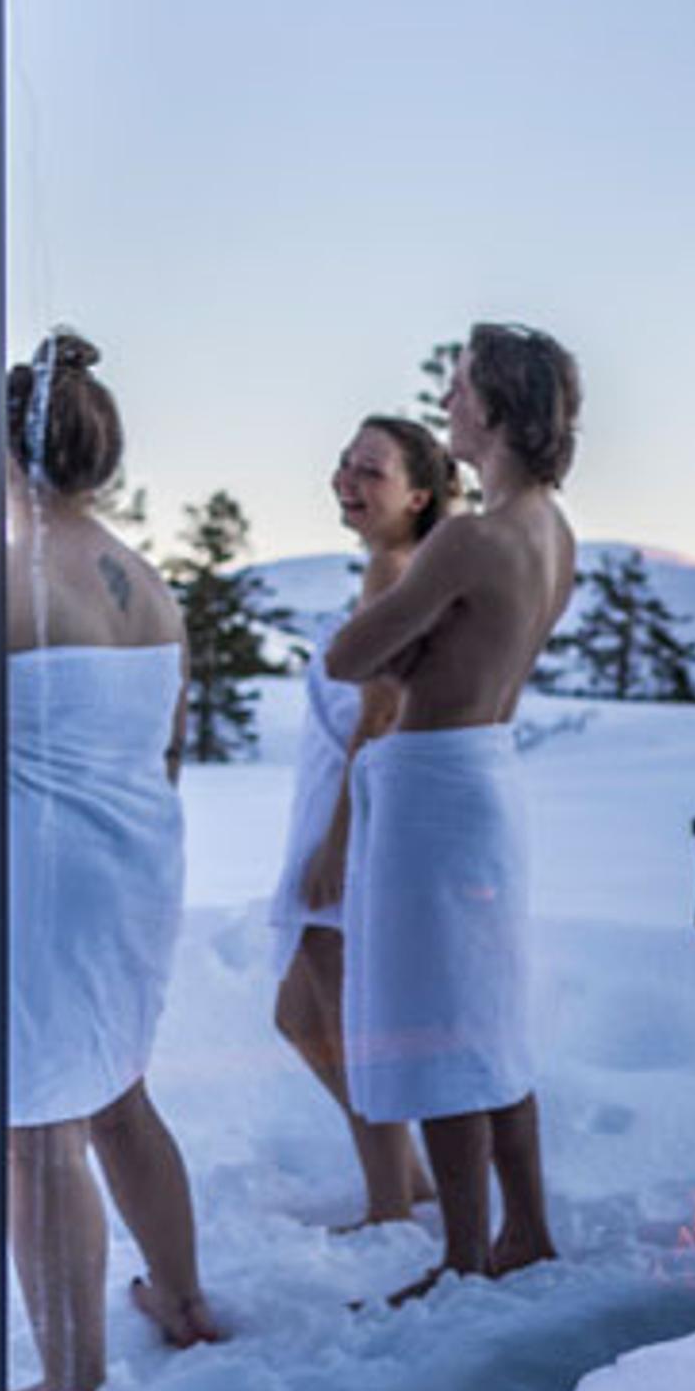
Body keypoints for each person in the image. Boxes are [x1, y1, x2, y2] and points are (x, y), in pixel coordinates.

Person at [324, 322, 578, 1305]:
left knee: (435, 1022)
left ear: (499, 409)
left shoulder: (473, 536)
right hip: (490, 771)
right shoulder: (554, 528)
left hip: (435, 785)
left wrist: (405, 650)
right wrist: (424, 651)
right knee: (491, 1014)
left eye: (460, 389)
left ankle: (466, 1255)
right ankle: (529, 1227)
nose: (446, 405)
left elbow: (350, 654)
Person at [3, 329, 225, 1391]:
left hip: (49, 872)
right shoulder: (152, 585)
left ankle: (73, 1372)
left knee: (38, 1126)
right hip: (139, 860)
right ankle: (180, 1296)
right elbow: (170, 745)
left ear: (4, 455)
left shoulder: (6, 576)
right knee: (120, 1092)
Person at [272, 415, 452, 1228]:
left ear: (419, 494)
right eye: (345, 463)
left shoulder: (396, 574)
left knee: (344, 1015)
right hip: (331, 800)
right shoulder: (385, 568)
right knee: (300, 1013)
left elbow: (381, 709)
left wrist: (341, 839)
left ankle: (391, 1199)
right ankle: (404, 1175)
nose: (347, 479)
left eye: (370, 470)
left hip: (356, 811)